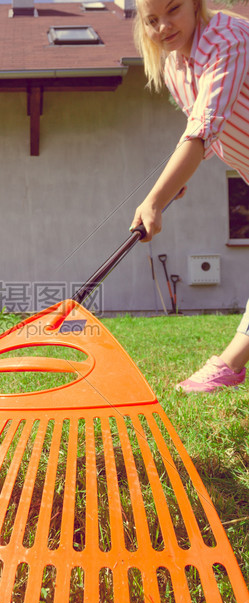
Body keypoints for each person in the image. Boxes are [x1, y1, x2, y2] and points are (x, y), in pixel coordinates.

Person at [130, 0, 249, 392]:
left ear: (196, 3)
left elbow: (202, 130)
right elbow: (203, 133)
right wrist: (175, 184)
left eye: (173, 9)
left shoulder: (228, 38)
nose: (163, 26)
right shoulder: (173, 67)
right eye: (152, 20)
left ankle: (229, 366)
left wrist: (153, 199)